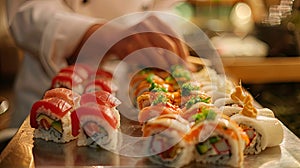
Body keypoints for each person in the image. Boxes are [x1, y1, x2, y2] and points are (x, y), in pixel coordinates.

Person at [6, 0, 190, 128]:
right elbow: (26, 12)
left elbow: (165, 6)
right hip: (48, 100)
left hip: (133, 90)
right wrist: (114, 37)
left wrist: (160, 34)